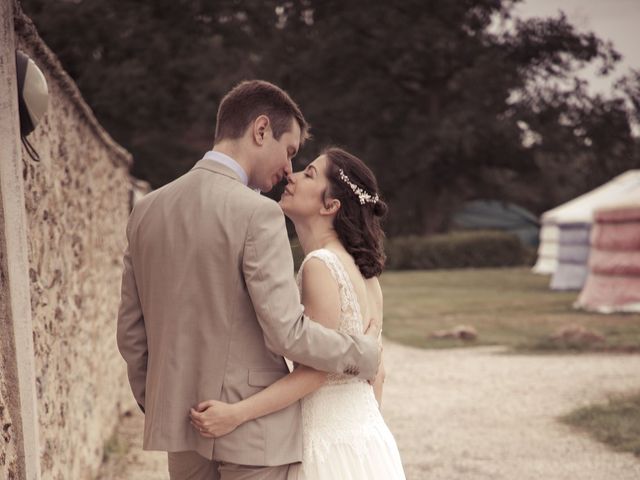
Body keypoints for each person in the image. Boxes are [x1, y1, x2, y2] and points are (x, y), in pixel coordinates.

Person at [116, 81, 381, 480]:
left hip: (181, 429)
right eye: (289, 151)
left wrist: (160, 403)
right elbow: (286, 334)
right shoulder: (258, 212)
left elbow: (131, 335)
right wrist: (361, 353)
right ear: (260, 131)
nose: (289, 170)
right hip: (257, 439)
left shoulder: (147, 211)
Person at [190, 147, 406, 479]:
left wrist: (235, 414)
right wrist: (360, 435)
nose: (292, 176)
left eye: (309, 174)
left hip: (326, 443)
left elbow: (315, 372)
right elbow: (377, 373)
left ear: (330, 205)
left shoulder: (321, 265)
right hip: (368, 439)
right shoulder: (367, 275)